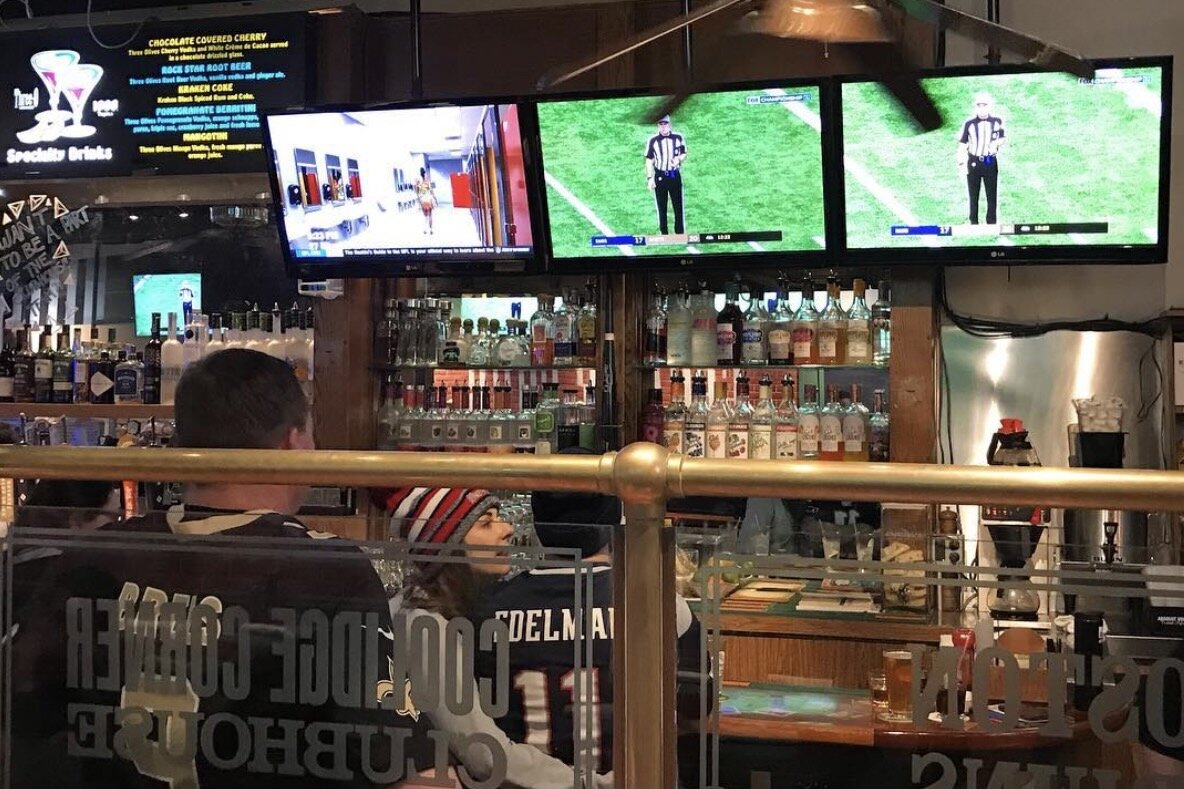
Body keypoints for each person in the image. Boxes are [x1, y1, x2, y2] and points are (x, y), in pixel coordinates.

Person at [9, 349, 440, 788]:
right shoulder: (326, 571)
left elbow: (24, 718)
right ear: (293, 444)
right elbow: (400, 768)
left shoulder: (97, 555)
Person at [473, 454, 707, 785]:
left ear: (537, 523)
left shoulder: (487, 609)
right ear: (613, 520)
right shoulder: (657, 603)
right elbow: (698, 706)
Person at [379, 485, 611, 789]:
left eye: (500, 517)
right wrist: (598, 784)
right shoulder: (425, 625)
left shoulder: (452, 612)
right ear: (448, 548)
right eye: (487, 523)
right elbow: (484, 754)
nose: (507, 529)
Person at [956, 92, 1006, 225]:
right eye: (979, 105)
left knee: (992, 194)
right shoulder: (969, 124)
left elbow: (1002, 138)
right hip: (974, 162)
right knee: (973, 194)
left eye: (984, 105)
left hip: (990, 161)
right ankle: (974, 222)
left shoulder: (997, 121)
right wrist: (961, 162)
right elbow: (963, 144)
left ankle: (992, 222)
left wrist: (996, 144)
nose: (982, 108)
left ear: (990, 106)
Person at [645, 115, 687, 236]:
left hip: (674, 175)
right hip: (660, 176)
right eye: (661, 124)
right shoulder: (653, 141)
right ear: (658, 126)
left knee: (678, 205)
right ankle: (664, 234)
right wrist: (649, 178)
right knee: (661, 207)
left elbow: (684, 152)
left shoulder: (678, 138)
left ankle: (680, 233)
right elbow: (649, 160)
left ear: (669, 125)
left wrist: (679, 159)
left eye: (665, 124)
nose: (663, 127)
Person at [415, 167, 438, 235]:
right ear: (425, 175)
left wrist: (419, 203)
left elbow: (417, 194)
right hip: (429, 200)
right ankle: (431, 230)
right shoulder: (428, 183)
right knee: (430, 215)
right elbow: (432, 192)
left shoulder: (418, 184)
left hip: (423, 201)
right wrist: (435, 199)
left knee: (425, 216)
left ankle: (425, 229)